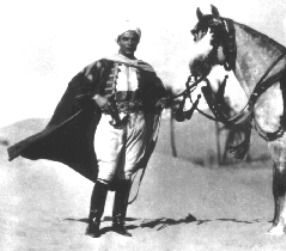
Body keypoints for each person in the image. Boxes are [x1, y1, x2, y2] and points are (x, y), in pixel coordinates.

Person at [8, 22, 168, 238]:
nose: (130, 43)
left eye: (133, 39)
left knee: (128, 171)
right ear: (118, 41)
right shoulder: (103, 65)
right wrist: (96, 96)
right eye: (125, 39)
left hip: (138, 124)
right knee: (108, 170)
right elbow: (77, 85)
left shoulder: (146, 69)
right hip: (111, 121)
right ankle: (94, 224)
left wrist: (161, 100)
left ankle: (119, 223)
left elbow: (157, 93)